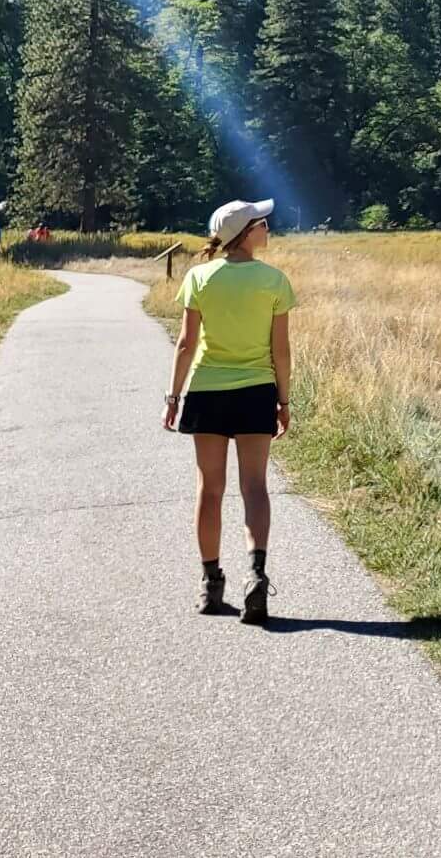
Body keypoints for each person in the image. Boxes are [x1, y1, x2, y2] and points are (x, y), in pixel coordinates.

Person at [163, 198, 295, 623]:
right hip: (256, 391)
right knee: (254, 487)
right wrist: (284, 400)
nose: (268, 228)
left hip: (207, 392)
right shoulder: (274, 281)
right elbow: (281, 351)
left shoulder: (199, 277)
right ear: (246, 232)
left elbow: (186, 344)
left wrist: (173, 396)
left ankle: (210, 583)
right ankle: (255, 573)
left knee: (210, 488)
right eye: (262, 223)